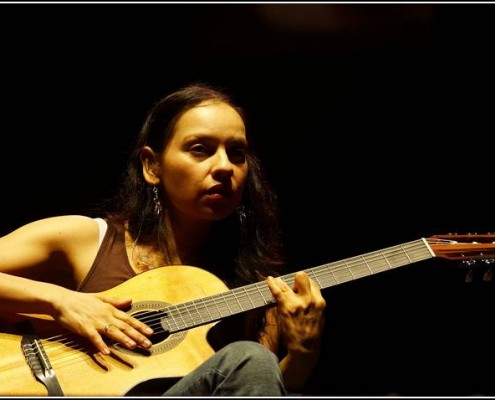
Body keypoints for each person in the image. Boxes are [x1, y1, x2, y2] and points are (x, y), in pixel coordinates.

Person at [0, 82, 326, 396]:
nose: (225, 166)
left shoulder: (257, 290)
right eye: (201, 149)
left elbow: (255, 384)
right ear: (152, 166)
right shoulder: (86, 239)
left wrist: (302, 355)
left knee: (253, 360)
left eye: (237, 153)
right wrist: (61, 302)